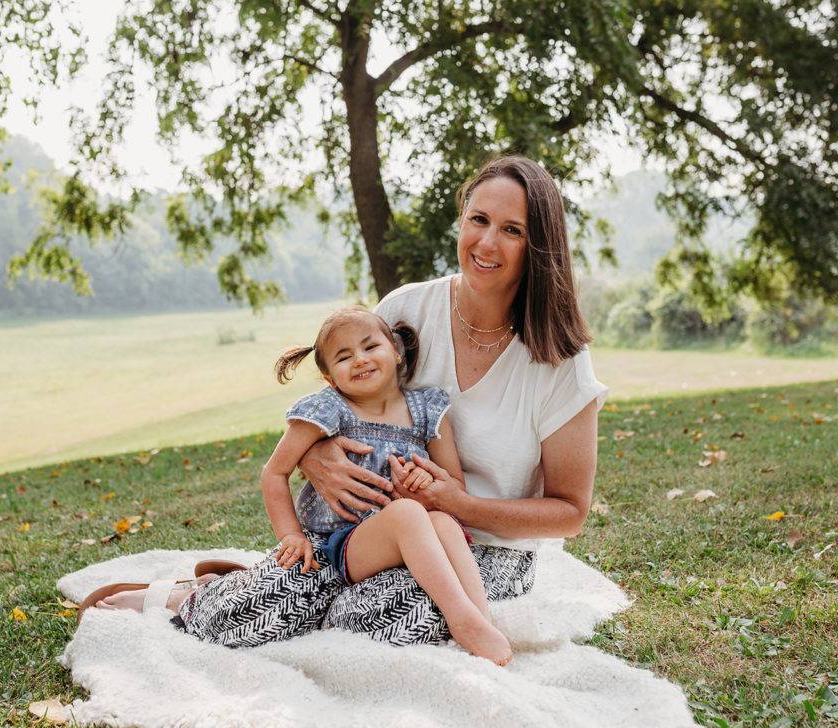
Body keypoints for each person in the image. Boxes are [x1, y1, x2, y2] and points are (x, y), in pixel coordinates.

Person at [81, 155, 607, 649]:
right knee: (295, 596)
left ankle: (258, 586)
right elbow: (336, 402)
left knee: (382, 616)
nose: (486, 242)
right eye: (478, 219)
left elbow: (569, 513)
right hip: (367, 533)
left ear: (538, 247)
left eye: (512, 230)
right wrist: (315, 455)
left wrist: (457, 504)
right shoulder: (406, 309)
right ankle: (197, 598)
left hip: (487, 549)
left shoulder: (560, 361)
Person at [261, 307, 511, 664]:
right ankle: (462, 619)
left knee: (444, 523)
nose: (359, 360)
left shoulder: (426, 408)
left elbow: (453, 484)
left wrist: (425, 480)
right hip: (346, 543)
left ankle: (482, 620)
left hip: (416, 534)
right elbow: (274, 472)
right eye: (344, 357)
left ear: (395, 350)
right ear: (330, 377)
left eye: (369, 347)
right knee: (407, 513)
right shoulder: (330, 410)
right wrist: (290, 536)